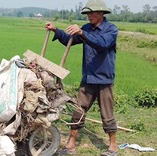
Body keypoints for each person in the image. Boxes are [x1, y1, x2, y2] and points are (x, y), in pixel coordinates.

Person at [45, 0, 118, 155]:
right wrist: (55, 30)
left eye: (91, 13)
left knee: (107, 112)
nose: (89, 16)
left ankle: (113, 145)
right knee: (79, 110)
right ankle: (71, 144)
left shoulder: (111, 29)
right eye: (87, 13)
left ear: (100, 14)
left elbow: (102, 44)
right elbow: (68, 40)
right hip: (88, 78)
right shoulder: (86, 29)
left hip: (104, 79)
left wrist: (82, 33)